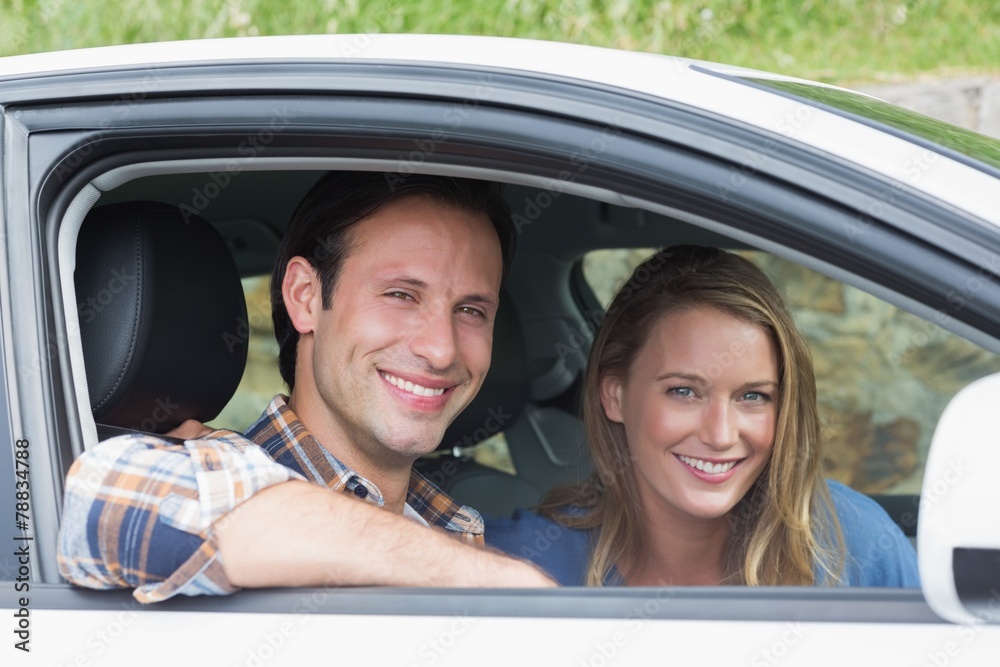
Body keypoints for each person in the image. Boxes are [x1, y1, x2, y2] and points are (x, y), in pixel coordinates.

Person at [58, 171, 555, 602]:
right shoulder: (206, 472)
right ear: (305, 296)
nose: (442, 349)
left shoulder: (450, 527)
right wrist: (509, 585)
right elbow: (100, 495)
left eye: (470, 310)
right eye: (401, 295)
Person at [486, 245, 919, 587]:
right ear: (615, 395)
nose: (720, 434)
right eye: (684, 391)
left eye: (753, 396)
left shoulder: (851, 542)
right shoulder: (526, 559)